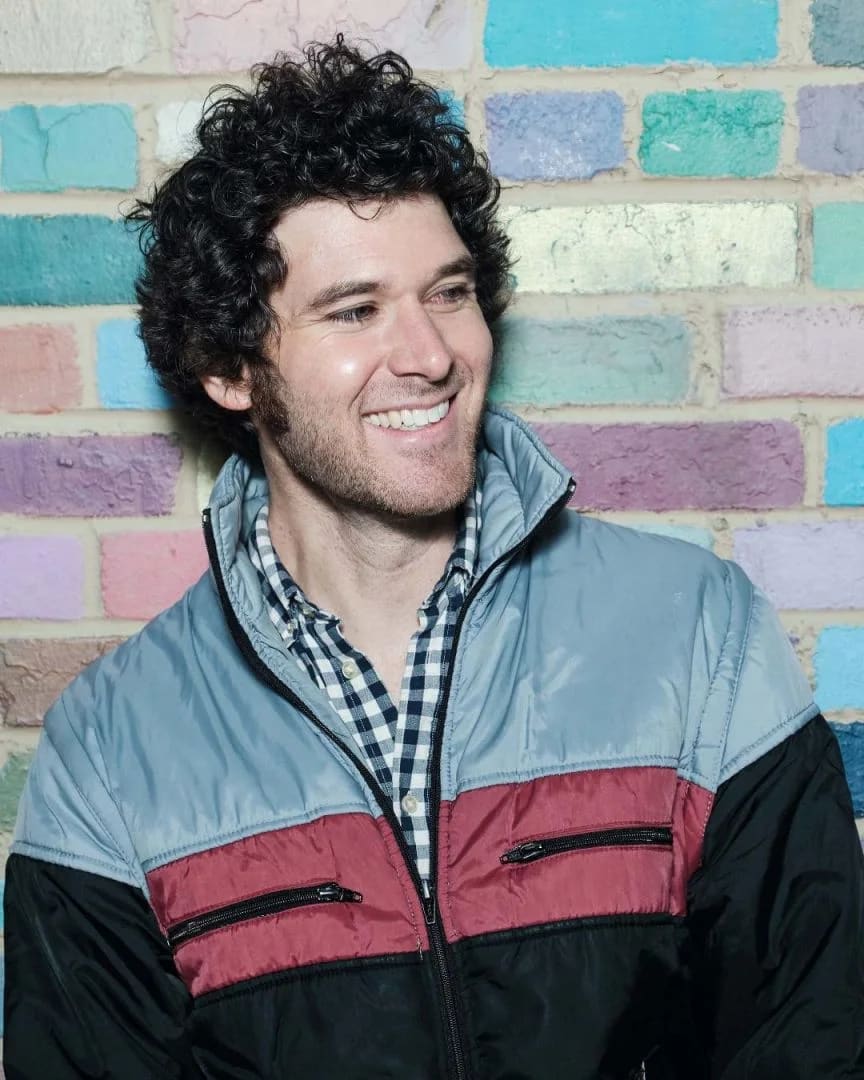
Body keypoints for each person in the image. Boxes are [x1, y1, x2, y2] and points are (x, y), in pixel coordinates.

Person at [4, 38, 863, 1080]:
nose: (431, 354)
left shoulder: (696, 635)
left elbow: (811, 1035)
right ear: (231, 368)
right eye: (356, 310)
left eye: (448, 293)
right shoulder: (112, 751)